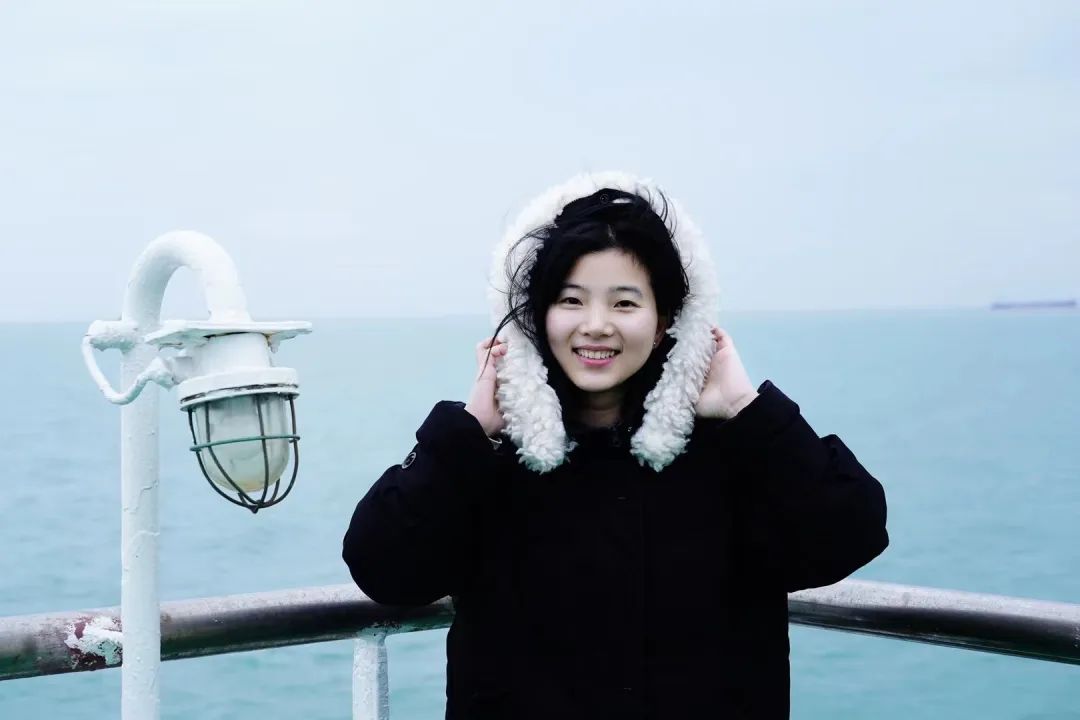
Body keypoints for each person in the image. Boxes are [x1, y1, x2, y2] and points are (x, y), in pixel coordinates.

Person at [343, 172, 889, 719]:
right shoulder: (487, 458)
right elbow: (384, 570)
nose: (596, 326)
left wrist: (750, 408)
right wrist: (465, 434)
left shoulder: (732, 450)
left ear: (666, 320)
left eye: (625, 303)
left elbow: (850, 533)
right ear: (535, 314)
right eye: (570, 300)